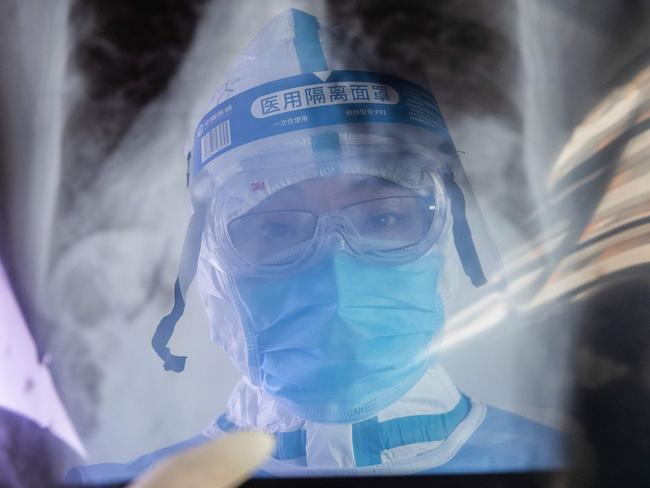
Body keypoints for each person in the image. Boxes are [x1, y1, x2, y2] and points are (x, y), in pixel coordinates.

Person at [67, 8, 566, 484]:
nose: (336, 268)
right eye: (279, 229)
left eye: (384, 217)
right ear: (214, 263)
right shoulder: (136, 485)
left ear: (446, 238)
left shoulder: (574, 468)